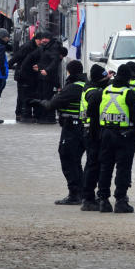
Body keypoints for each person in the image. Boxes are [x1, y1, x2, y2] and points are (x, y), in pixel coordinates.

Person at [95, 61, 135, 213]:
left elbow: (93, 109)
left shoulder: (105, 90)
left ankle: (103, 200)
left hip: (106, 134)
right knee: (123, 169)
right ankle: (120, 200)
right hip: (123, 136)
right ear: (128, 78)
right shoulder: (128, 93)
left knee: (105, 167)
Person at [39, 59, 90, 206]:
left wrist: (40, 102)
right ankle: (83, 192)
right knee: (77, 161)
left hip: (71, 129)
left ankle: (75, 194)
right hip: (85, 128)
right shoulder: (86, 85)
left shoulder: (72, 87)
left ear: (69, 71)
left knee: (68, 158)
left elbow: (52, 104)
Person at [78, 64, 111, 212]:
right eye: (105, 78)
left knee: (93, 165)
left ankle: (89, 196)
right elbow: (93, 112)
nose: (107, 80)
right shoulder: (94, 93)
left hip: (90, 131)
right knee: (93, 166)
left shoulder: (92, 88)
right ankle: (88, 198)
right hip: (92, 133)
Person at [11, 32, 48, 122]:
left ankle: (20, 114)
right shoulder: (28, 47)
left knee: (24, 95)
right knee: (22, 95)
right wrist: (8, 64)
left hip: (28, 75)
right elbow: (17, 57)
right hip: (22, 74)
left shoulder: (35, 47)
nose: (41, 43)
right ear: (36, 39)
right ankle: (20, 114)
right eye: (40, 41)